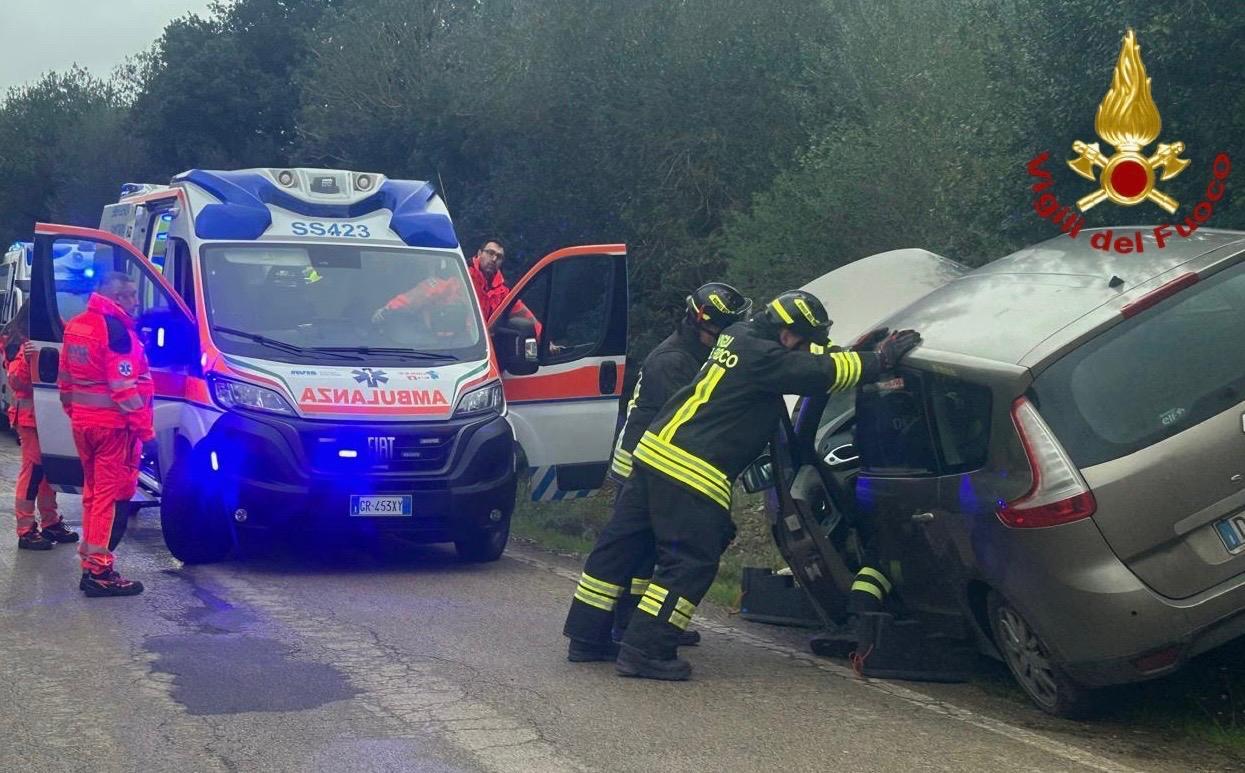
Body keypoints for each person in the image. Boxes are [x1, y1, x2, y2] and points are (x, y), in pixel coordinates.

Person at [563, 289, 921, 679]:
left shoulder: (739, 335)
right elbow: (817, 373)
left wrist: (855, 351)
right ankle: (646, 650)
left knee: (618, 551)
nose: (804, 347)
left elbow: (807, 359)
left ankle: (587, 638)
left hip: (652, 456)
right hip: (690, 469)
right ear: (787, 334)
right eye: (804, 339)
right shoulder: (765, 358)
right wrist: (879, 362)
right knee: (689, 562)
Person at [575, 282, 752, 659]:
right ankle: (615, 631)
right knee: (634, 555)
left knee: (641, 553)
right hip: (640, 467)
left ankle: (633, 624)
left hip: (652, 466)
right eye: (718, 333)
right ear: (698, 322)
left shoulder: (694, 355)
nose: (722, 341)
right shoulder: (672, 362)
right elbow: (691, 423)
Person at [58, 272, 153, 597]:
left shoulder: (77, 325)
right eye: (130, 295)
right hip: (113, 427)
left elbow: (65, 379)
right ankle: (99, 570)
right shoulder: (117, 331)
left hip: (84, 423)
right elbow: (124, 389)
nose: (136, 301)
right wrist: (146, 431)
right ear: (116, 297)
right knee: (107, 500)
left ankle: (90, 557)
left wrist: (75, 412)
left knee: (92, 493)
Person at [2, 301, 79, 550]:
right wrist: (27, 359)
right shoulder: (16, 340)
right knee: (34, 471)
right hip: (30, 417)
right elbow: (16, 382)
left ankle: (50, 522)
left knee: (49, 472)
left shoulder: (57, 330)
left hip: (51, 414)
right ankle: (26, 529)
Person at [373, 238, 541, 334]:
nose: (494, 259)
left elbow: (525, 315)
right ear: (479, 254)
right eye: (490, 253)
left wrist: (544, 342)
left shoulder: (503, 290)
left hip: (485, 351)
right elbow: (419, 295)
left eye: (499, 256)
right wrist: (388, 310)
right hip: (449, 345)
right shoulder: (458, 277)